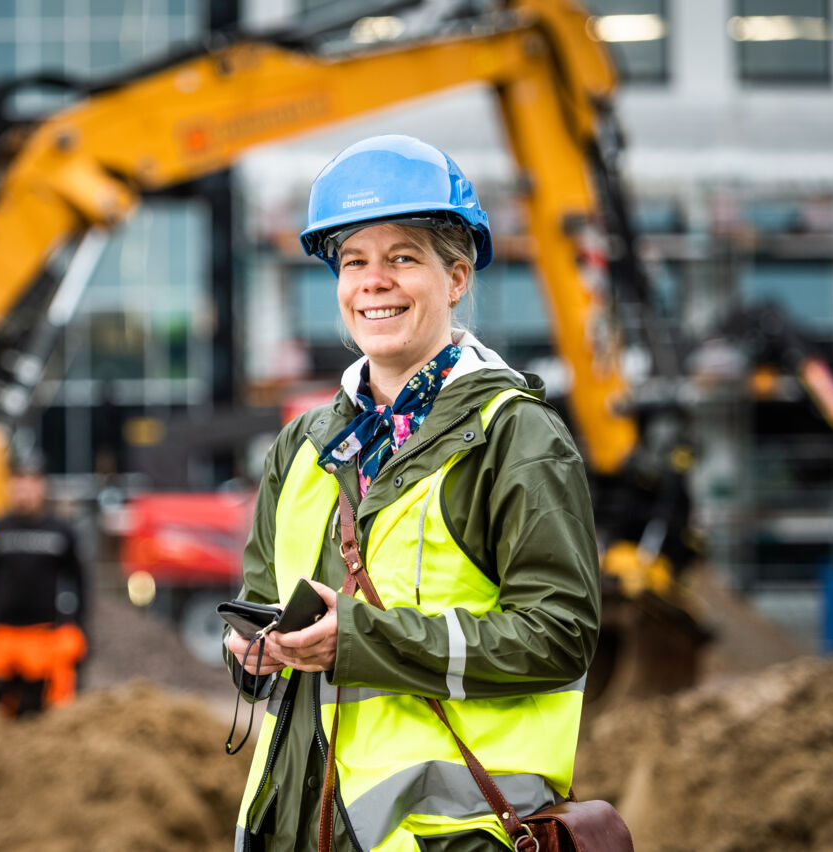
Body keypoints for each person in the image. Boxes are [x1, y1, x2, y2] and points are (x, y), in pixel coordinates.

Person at [223, 135, 601, 851]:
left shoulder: (514, 437)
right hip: (300, 830)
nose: (374, 281)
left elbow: (561, 636)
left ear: (455, 278)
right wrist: (250, 654)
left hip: (451, 836)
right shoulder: (302, 448)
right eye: (354, 261)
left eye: (403, 257)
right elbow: (257, 614)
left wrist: (361, 639)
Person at [0, 452, 87, 716]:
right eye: (18, 481)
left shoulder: (61, 533)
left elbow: (79, 583)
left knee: (50, 706)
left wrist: (76, 625)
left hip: (44, 637)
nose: (24, 489)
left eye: (31, 482)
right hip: (0, 636)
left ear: (43, 486)